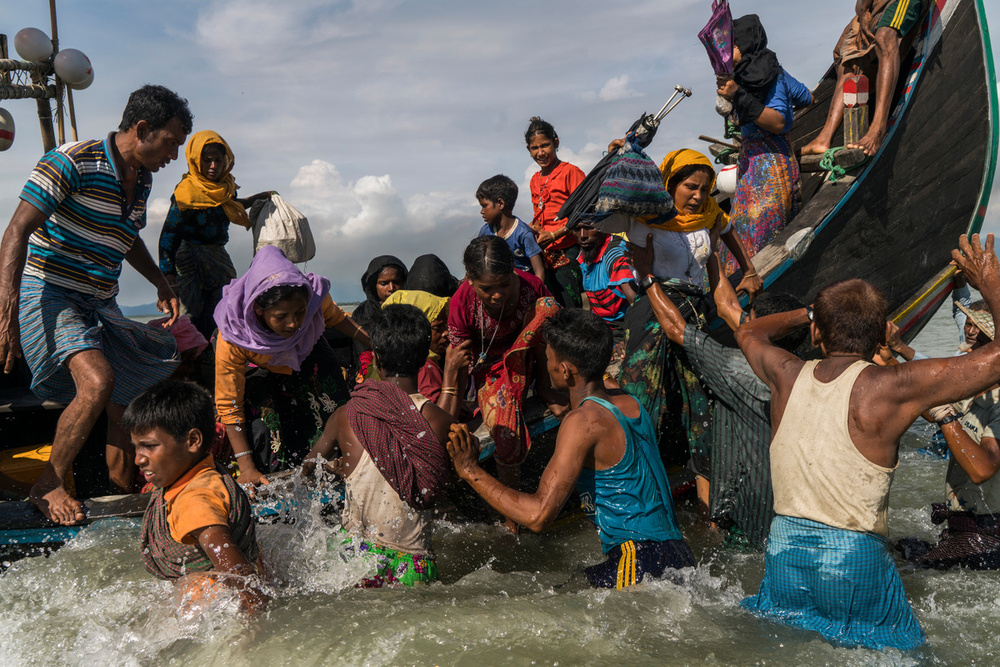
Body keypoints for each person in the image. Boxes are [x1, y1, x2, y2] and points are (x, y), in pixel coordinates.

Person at [735, 233, 1000, 651]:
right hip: (852, 558)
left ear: (818, 334)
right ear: (881, 338)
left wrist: (809, 313)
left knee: (791, 642)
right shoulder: (893, 386)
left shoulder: (787, 375)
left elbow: (749, 330)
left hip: (784, 550)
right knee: (895, 654)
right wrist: (990, 284)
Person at [0, 85, 192, 525]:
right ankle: (48, 482)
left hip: (101, 300)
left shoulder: (141, 179)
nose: (172, 156)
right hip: (50, 292)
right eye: (170, 143)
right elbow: (16, 231)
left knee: (127, 397)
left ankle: (122, 497)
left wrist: (160, 281)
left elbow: (126, 236)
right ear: (142, 129)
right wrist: (5, 312)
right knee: (98, 381)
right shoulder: (71, 160)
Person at [446, 308, 694, 589]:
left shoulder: (581, 423)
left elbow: (537, 516)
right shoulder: (628, 400)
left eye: (548, 358)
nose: (546, 364)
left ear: (564, 370)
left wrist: (470, 470)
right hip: (679, 554)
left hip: (636, 559)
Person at [628, 236, 806, 547]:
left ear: (753, 326)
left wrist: (648, 278)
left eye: (748, 318)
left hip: (747, 522)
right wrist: (708, 251)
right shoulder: (808, 374)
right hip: (791, 512)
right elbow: (726, 307)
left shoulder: (734, 368)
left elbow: (675, 329)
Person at [617, 149, 760, 489]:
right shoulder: (647, 220)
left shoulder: (709, 215)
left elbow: (726, 237)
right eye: (690, 187)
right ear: (670, 185)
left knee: (701, 411)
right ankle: (635, 482)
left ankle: (705, 504)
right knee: (646, 401)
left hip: (694, 313)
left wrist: (750, 270)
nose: (698, 196)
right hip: (654, 310)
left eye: (704, 188)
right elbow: (643, 269)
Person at [304, 304, 453, 587]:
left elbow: (308, 470)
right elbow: (443, 487)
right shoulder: (440, 421)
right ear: (425, 359)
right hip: (411, 567)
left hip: (354, 559)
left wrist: (340, 471)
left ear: (375, 359)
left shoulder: (345, 416)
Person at [214, 245, 369, 484]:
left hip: (312, 357)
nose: (293, 324)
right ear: (258, 310)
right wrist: (246, 467)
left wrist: (372, 343)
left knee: (336, 418)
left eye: (300, 312)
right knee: (268, 433)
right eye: (280, 317)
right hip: (264, 372)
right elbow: (229, 402)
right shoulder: (234, 332)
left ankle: (345, 475)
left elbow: (337, 318)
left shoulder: (314, 296)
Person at [123, 380, 267, 612]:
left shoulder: (195, 501)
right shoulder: (205, 474)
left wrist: (250, 637)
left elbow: (242, 581)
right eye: (136, 447)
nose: (138, 459)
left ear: (192, 441)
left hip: (215, 611)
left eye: (149, 446)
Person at [447, 236, 563, 490]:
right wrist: (453, 413)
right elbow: (460, 360)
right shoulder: (461, 301)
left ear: (513, 271)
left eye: (504, 284)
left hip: (531, 357)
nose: (497, 294)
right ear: (469, 278)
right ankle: (513, 504)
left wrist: (548, 385)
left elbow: (553, 337)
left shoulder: (531, 287)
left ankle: (543, 389)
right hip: (488, 368)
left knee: (548, 309)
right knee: (507, 434)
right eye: (486, 288)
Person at [898, 301, 1000, 569]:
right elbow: (934, 413)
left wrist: (944, 414)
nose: (971, 334)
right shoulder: (976, 390)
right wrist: (887, 361)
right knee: (900, 547)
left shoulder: (997, 403)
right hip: (967, 526)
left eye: (980, 329)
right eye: (969, 325)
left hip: (986, 533)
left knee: (906, 565)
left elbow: (980, 470)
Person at [716, 14, 812, 272]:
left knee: (759, 237)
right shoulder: (755, 72)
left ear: (746, 42)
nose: (726, 51)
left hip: (770, 167)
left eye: (732, 45)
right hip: (750, 165)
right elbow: (806, 97)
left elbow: (778, 123)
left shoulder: (768, 75)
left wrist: (738, 95)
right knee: (741, 230)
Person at [158, 130, 272, 340]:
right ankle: (186, 359)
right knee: (188, 311)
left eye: (218, 160)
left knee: (224, 303)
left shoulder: (225, 188)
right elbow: (168, 236)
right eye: (207, 160)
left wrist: (261, 197)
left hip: (217, 255)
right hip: (189, 259)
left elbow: (231, 206)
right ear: (195, 160)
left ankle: (214, 354)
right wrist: (168, 277)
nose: (213, 166)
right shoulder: (186, 193)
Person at [801, 0, 929, 157]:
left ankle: (877, 129)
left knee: (885, 37)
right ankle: (823, 139)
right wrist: (863, 11)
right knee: (846, 59)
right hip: (869, 6)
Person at [382, 289, 472, 419]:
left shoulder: (394, 362)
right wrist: (451, 371)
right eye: (437, 328)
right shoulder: (423, 367)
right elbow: (439, 423)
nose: (446, 333)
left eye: (445, 326)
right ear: (417, 331)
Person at [525, 117, 585, 307]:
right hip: (545, 253)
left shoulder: (570, 172)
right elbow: (540, 216)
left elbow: (583, 214)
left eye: (545, 146)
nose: (540, 153)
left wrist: (554, 234)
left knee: (571, 309)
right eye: (535, 148)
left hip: (569, 250)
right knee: (550, 309)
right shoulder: (535, 179)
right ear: (529, 150)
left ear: (556, 143)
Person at [476, 174, 545, 282]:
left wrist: (535, 293)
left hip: (523, 285)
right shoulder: (485, 232)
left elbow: (539, 271)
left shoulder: (523, 233)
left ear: (500, 203)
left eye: (484, 206)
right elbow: (477, 261)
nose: (481, 211)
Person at [349, 255, 408, 380]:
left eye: (397, 282)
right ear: (373, 286)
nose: (391, 289)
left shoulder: (411, 312)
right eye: (384, 283)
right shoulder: (362, 315)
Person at [574, 222, 637, 336]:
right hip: (600, 325)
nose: (583, 235)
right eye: (577, 229)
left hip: (621, 326)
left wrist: (629, 337)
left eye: (590, 227)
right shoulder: (586, 253)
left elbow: (636, 303)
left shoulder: (615, 254)